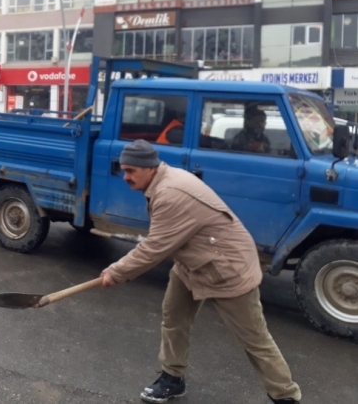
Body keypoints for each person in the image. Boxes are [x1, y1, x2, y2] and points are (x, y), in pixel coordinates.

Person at [100, 140, 301, 404]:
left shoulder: (170, 192)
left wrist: (117, 271)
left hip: (228, 268)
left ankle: (286, 397)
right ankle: (172, 378)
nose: (125, 177)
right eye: (123, 169)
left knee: (254, 340)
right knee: (174, 317)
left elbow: (155, 247)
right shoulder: (163, 179)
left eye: (131, 171)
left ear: (149, 168)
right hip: (192, 262)